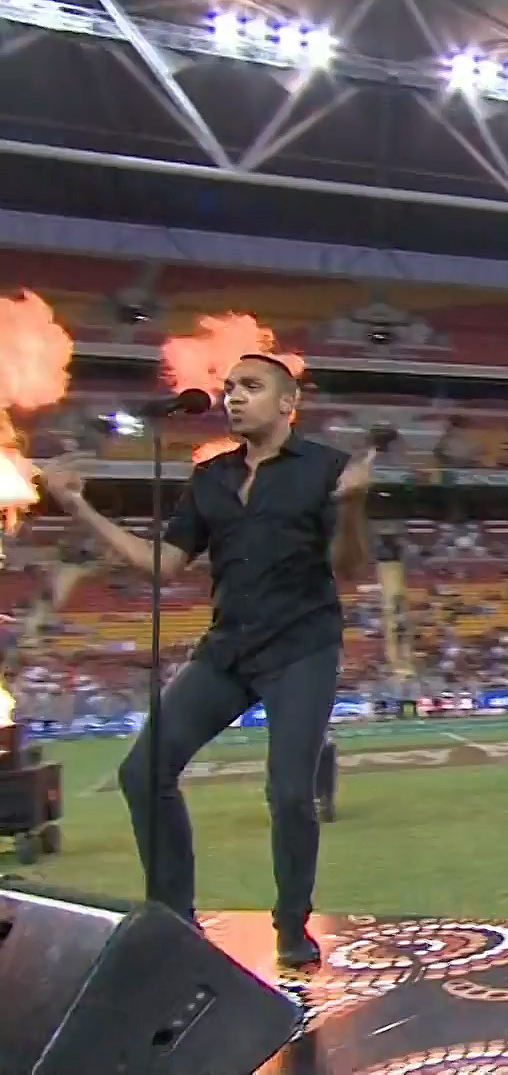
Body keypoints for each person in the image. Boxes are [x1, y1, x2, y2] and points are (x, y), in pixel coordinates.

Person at [38, 354, 374, 965]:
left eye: (251, 387)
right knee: (142, 771)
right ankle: (174, 916)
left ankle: (292, 926)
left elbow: (349, 569)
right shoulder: (210, 477)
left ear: (288, 403)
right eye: (229, 388)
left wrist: (352, 507)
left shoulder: (327, 468)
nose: (233, 397)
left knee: (290, 792)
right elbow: (164, 565)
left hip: (302, 648)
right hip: (228, 649)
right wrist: (79, 508)